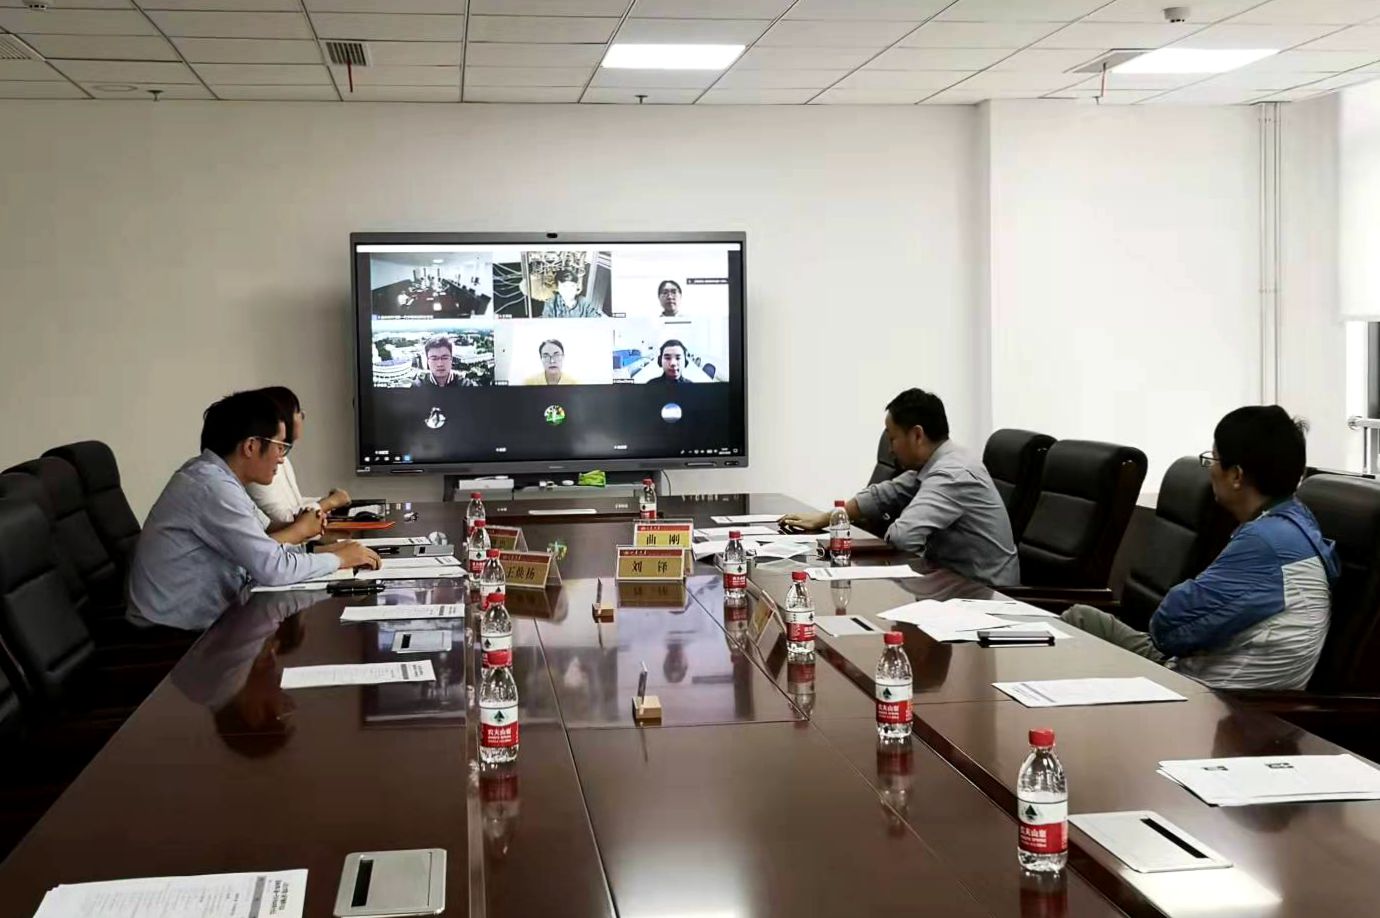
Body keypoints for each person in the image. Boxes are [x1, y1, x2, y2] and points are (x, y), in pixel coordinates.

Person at [1061, 406, 1339, 691]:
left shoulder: (1266, 543)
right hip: (1204, 671)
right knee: (1082, 619)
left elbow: (1168, 629)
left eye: (1213, 459)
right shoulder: (1294, 523)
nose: (1210, 470)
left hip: (1210, 696)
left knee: (1074, 627)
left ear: (1236, 475)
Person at [128, 391, 381, 630]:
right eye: (280, 446)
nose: (282, 458)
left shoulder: (219, 479)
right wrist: (339, 560)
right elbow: (273, 568)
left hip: (197, 620)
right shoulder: (212, 487)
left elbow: (266, 543)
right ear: (250, 446)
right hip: (168, 634)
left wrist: (326, 550)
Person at [781, 388, 1019, 587]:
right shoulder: (936, 465)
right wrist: (824, 519)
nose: (890, 449)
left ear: (917, 435)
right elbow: (880, 496)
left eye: (893, 438)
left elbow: (902, 537)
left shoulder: (953, 474)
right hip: (954, 584)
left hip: (983, 594)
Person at [245, 387, 350, 540]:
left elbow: (290, 509)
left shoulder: (280, 459)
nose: (303, 416)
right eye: (298, 412)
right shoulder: (257, 465)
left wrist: (324, 504)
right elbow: (282, 519)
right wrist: (329, 503)